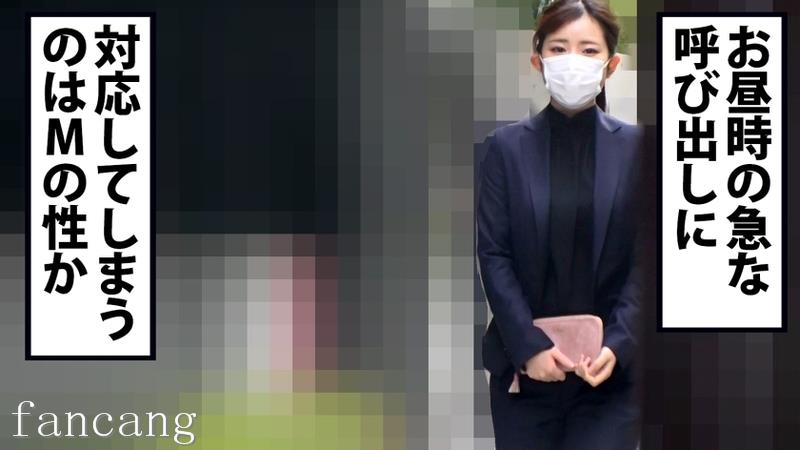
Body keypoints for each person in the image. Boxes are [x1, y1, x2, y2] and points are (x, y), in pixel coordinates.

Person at [475, 1, 645, 449]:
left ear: (611, 65)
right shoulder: (505, 149)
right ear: (538, 60)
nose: (573, 60)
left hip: (609, 378)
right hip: (525, 376)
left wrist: (618, 344)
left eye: (588, 50)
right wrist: (528, 347)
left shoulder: (638, 151)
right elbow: (494, 254)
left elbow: (649, 260)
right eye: (559, 48)